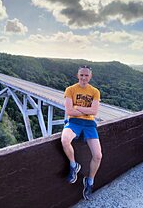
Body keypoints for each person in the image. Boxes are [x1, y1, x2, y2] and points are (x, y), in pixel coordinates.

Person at [61, 65, 102, 200]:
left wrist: (77, 107)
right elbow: (69, 111)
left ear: (90, 77)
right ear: (77, 76)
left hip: (90, 124)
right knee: (65, 140)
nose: (84, 78)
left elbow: (94, 111)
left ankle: (89, 182)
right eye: (81, 75)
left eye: (86, 75)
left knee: (98, 156)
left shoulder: (95, 91)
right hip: (73, 122)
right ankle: (74, 165)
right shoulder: (70, 90)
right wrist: (85, 109)